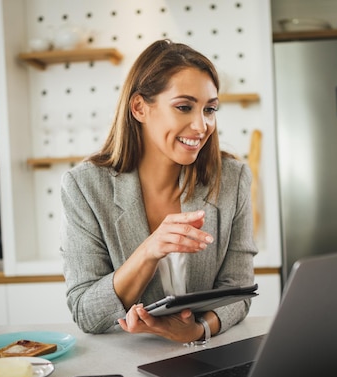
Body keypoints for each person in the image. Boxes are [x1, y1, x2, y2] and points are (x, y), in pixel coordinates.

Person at [60, 39, 258, 344]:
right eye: (184, 107)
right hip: (126, 360)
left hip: (204, 356)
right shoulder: (84, 187)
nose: (202, 124)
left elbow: (239, 290)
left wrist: (198, 330)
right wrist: (148, 251)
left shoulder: (232, 179)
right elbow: (85, 312)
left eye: (210, 109)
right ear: (140, 107)